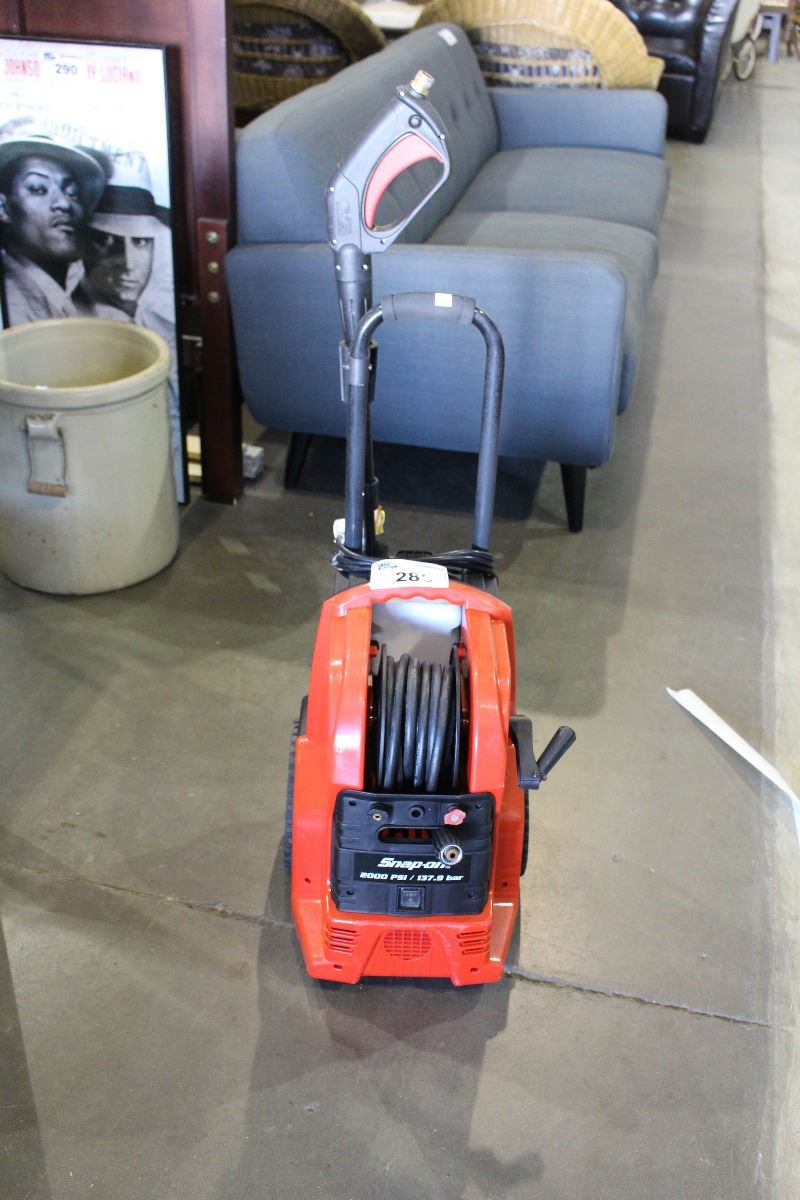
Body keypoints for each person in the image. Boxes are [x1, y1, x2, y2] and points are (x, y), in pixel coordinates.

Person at [0, 132, 106, 325]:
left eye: (72, 193)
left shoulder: (83, 288)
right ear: (3, 208)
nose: (64, 203)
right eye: (38, 189)